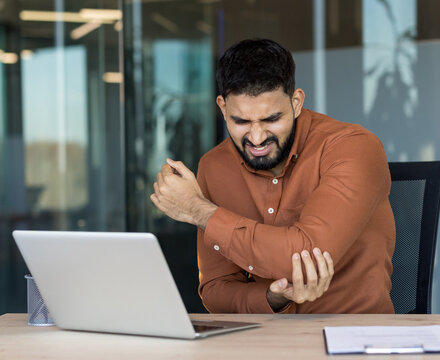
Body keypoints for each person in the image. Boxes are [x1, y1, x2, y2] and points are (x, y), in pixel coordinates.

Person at [150, 38, 395, 314]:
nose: (256, 138)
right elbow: (216, 291)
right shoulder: (215, 166)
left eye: (271, 120)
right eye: (241, 121)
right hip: (265, 340)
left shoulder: (353, 147)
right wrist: (272, 297)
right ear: (222, 108)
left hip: (353, 341)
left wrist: (201, 211)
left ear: (297, 102)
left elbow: (306, 256)